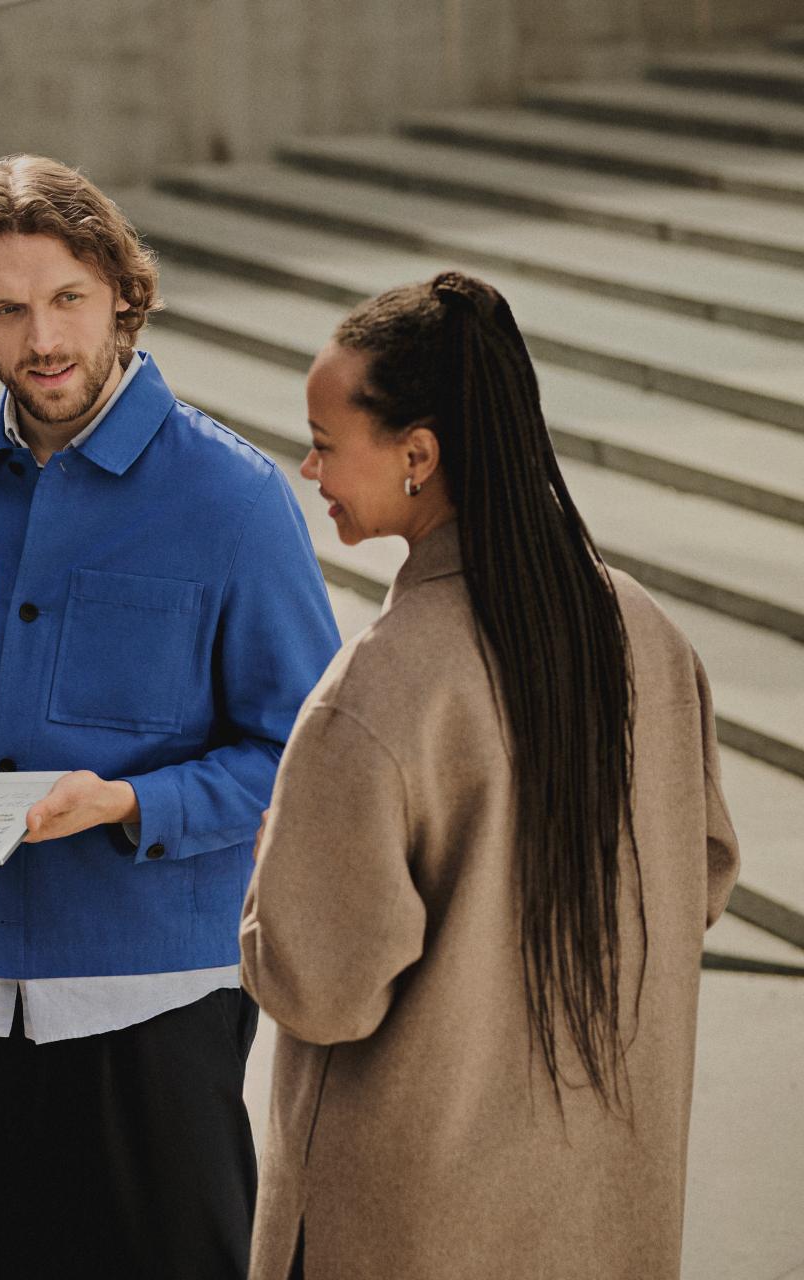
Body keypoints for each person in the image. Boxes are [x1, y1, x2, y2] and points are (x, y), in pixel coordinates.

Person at [0, 154, 340, 1278]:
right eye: (6, 310)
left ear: (120, 291)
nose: (43, 338)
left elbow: (305, 756)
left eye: (67, 298)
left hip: (147, 991)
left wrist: (126, 801)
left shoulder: (232, 498)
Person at [240, 270, 741, 1280]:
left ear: (418, 455)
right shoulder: (645, 632)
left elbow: (321, 989)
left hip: (408, 1222)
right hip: (604, 1198)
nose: (309, 466)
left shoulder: (378, 691)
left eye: (326, 441)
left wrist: (270, 884)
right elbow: (706, 871)